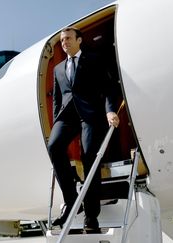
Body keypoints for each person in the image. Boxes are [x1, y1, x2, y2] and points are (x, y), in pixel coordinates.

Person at [47, 27, 120, 231]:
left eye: (68, 39)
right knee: (54, 146)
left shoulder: (93, 59)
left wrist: (110, 111)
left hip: (90, 116)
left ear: (79, 40)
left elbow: (107, 88)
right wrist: (56, 123)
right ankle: (71, 201)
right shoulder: (58, 68)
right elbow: (57, 100)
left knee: (89, 157)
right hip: (67, 117)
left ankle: (91, 216)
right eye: (62, 40)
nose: (64, 42)